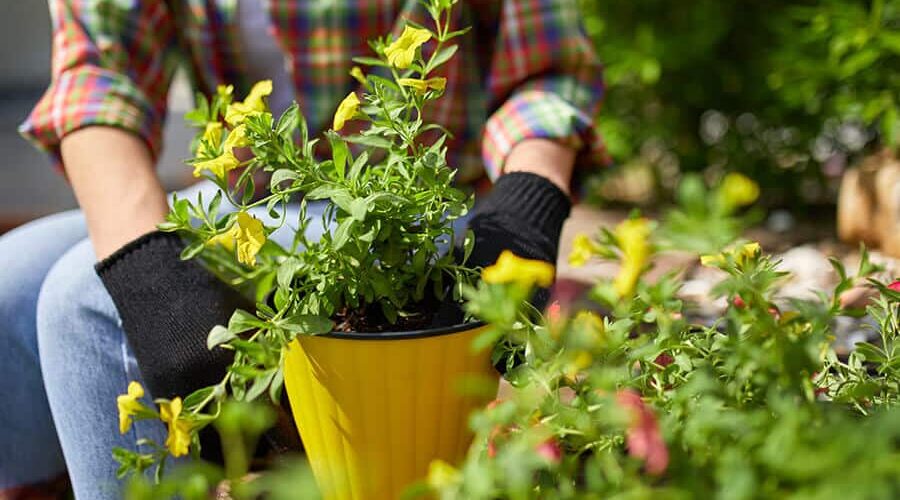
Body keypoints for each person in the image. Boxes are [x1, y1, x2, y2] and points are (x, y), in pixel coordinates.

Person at [0, 0, 605, 498]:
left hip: (407, 208)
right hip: (254, 197)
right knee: (10, 288)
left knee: (83, 298)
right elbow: (99, 73)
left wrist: (524, 211)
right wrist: (152, 272)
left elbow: (547, 67)